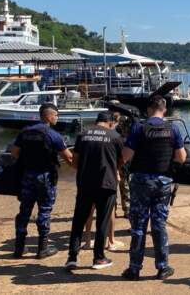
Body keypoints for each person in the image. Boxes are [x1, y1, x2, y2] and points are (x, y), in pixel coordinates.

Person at [121, 96, 186, 281]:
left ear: (149, 109)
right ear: (164, 109)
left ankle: (134, 269)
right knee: (159, 225)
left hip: (141, 182)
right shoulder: (173, 128)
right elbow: (181, 158)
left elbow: (126, 156)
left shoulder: (138, 128)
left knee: (139, 225)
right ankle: (163, 267)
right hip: (163, 182)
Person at [11, 103, 73, 259]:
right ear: (48, 116)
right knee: (44, 210)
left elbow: (14, 152)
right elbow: (68, 157)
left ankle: (19, 248)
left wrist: (28, 162)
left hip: (28, 175)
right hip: (45, 176)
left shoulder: (24, 132)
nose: (57, 118)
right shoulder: (53, 135)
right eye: (56, 115)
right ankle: (42, 248)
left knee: (24, 210)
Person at [65, 111, 124, 270]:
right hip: (107, 184)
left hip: (85, 183)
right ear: (111, 122)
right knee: (102, 221)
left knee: (78, 220)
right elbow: (122, 160)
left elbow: (74, 161)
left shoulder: (83, 135)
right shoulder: (115, 136)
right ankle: (99, 258)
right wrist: (114, 169)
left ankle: (72, 257)